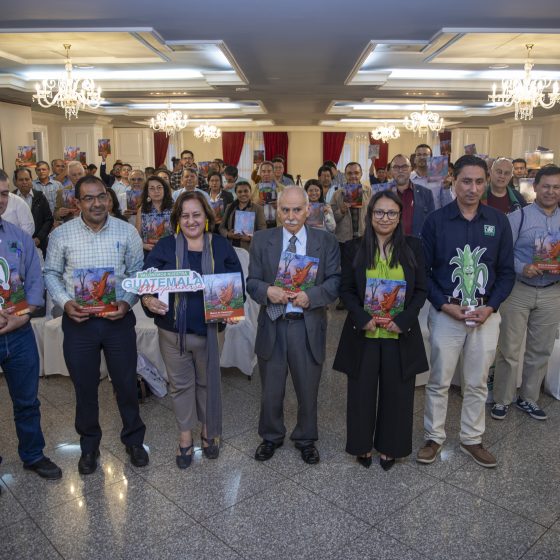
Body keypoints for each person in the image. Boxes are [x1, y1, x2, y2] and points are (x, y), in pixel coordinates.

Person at [44, 175, 148, 474]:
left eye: (101, 196)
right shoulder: (61, 235)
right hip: (79, 323)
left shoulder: (127, 231)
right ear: (77, 202)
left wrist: (126, 302)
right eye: (88, 198)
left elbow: (137, 272)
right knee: (85, 387)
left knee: (126, 384)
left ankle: (134, 440)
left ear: (109, 198)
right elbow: (51, 273)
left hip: (118, 321)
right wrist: (66, 302)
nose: (97, 203)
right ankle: (89, 446)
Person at [417, 155, 515, 468]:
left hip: (485, 313)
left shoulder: (498, 221)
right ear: (454, 181)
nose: (473, 188)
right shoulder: (436, 221)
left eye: (479, 182)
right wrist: (444, 305)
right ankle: (434, 437)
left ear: (486, 183)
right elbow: (423, 272)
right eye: (466, 181)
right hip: (447, 311)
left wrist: (491, 307)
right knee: (440, 380)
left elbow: (506, 272)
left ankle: (472, 438)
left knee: (476, 381)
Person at [142, 191, 243, 468]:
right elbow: (145, 283)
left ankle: (208, 432)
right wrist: (148, 300)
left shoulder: (221, 245)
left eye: (196, 214)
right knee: (180, 386)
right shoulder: (165, 246)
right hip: (173, 333)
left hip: (211, 332)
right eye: (185, 215)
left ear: (206, 216)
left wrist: (233, 307)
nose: (191, 220)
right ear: (177, 219)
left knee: (208, 383)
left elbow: (237, 282)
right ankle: (185, 437)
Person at [334, 191, 428, 470]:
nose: (385, 218)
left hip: (399, 334)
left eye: (391, 213)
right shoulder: (353, 248)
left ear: (399, 217)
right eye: (379, 212)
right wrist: (362, 317)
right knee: (360, 393)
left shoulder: (413, 247)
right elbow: (346, 290)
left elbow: (421, 290)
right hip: (364, 332)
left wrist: (404, 320)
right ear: (370, 215)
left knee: (398, 393)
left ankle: (391, 446)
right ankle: (361, 444)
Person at [247, 186, 340, 464]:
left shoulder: (325, 241)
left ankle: (306, 438)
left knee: (308, 388)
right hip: (273, 323)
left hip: (306, 325)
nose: (290, 216)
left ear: (308, 210)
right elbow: (251, 282)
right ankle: (271, 436)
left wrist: (311, 296)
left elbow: (335, 281)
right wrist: (267, 291)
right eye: (285, 209)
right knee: (271, 389)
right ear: (277, 210)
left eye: (297, 209)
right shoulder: (262, 240)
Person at [0, 169, 62, 481]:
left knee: (27, 401)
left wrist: (22, 317)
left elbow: (36, 282)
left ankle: (33, 454)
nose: (0, 200)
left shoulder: (19, 237)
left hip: (19, 332)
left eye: (3, 194)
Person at [492, 165, 560, 421]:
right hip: (518, 290)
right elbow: (501, 254)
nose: (551, 191)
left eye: (556, 187)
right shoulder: (517, 217)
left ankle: (529, 398)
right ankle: (502, 399)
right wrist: (523, 267)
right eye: (546, 186)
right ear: (535, 187)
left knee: (540, 350)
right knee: (509, 349)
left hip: (552, 292)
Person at [388, 154, 435, 237]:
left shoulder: (426, 194)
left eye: (404, 167)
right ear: (391, 171)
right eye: (396, 167)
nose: (400, 170)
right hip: (389, 243)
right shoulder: (382, 193)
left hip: (417, 243)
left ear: (411, 169)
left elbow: (431, 224)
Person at [13, 167, 53, 256]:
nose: (24, 182)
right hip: (16, 244)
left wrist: (39, 238)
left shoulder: (40, 196)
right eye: (21, 180)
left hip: (39, 244)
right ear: (16, 182)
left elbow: (49, 219)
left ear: (31, 180)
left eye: (27, 179)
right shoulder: (11, 198)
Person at [220, 181, 266, 250]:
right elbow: (221, 228)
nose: (243, 194)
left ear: (250, 192)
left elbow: (262, 231)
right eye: (240, 192)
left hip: (248, 249)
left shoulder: (258, 208)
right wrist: (228, 234)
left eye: (246, 191)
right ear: (236, 193)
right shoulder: (230, 207)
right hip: (231, 248)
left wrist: (250, 238)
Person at [136, 175, 174, 254]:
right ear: (147, 192)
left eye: (159, 187)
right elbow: (136, 236)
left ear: (164, 190)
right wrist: (143, 245)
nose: (156, 191)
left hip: (171, 250)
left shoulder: (174, 208)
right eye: (152, 188)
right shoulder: (142, 210)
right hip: (149, 252)